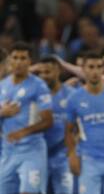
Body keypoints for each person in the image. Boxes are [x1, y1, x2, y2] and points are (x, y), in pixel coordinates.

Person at [65, 53, 104, 194]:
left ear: (102, 69)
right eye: (91, 67)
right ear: (83, 69)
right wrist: (71, 154)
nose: (95, 71)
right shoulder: (74, 98)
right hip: (88, 160)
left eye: (99, 67)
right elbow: (69, 130)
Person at [0, 41, 53, 194]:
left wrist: (23, 132)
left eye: (23, 58)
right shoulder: (2, 86)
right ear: (9, 60)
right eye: (15, 57)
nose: (18, 62)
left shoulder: (39, 86)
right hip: (8, 152)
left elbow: (48, 121)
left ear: (30, 62)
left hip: (32, 151)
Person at [37, 57, 75, 194]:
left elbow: (78, 127)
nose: (43, 76)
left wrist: (72, 152)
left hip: (63, 156)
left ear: (58, 71)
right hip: (39, 155)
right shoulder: (35, 96)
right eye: (40, 73)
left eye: (47, 72)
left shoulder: (71, 95)